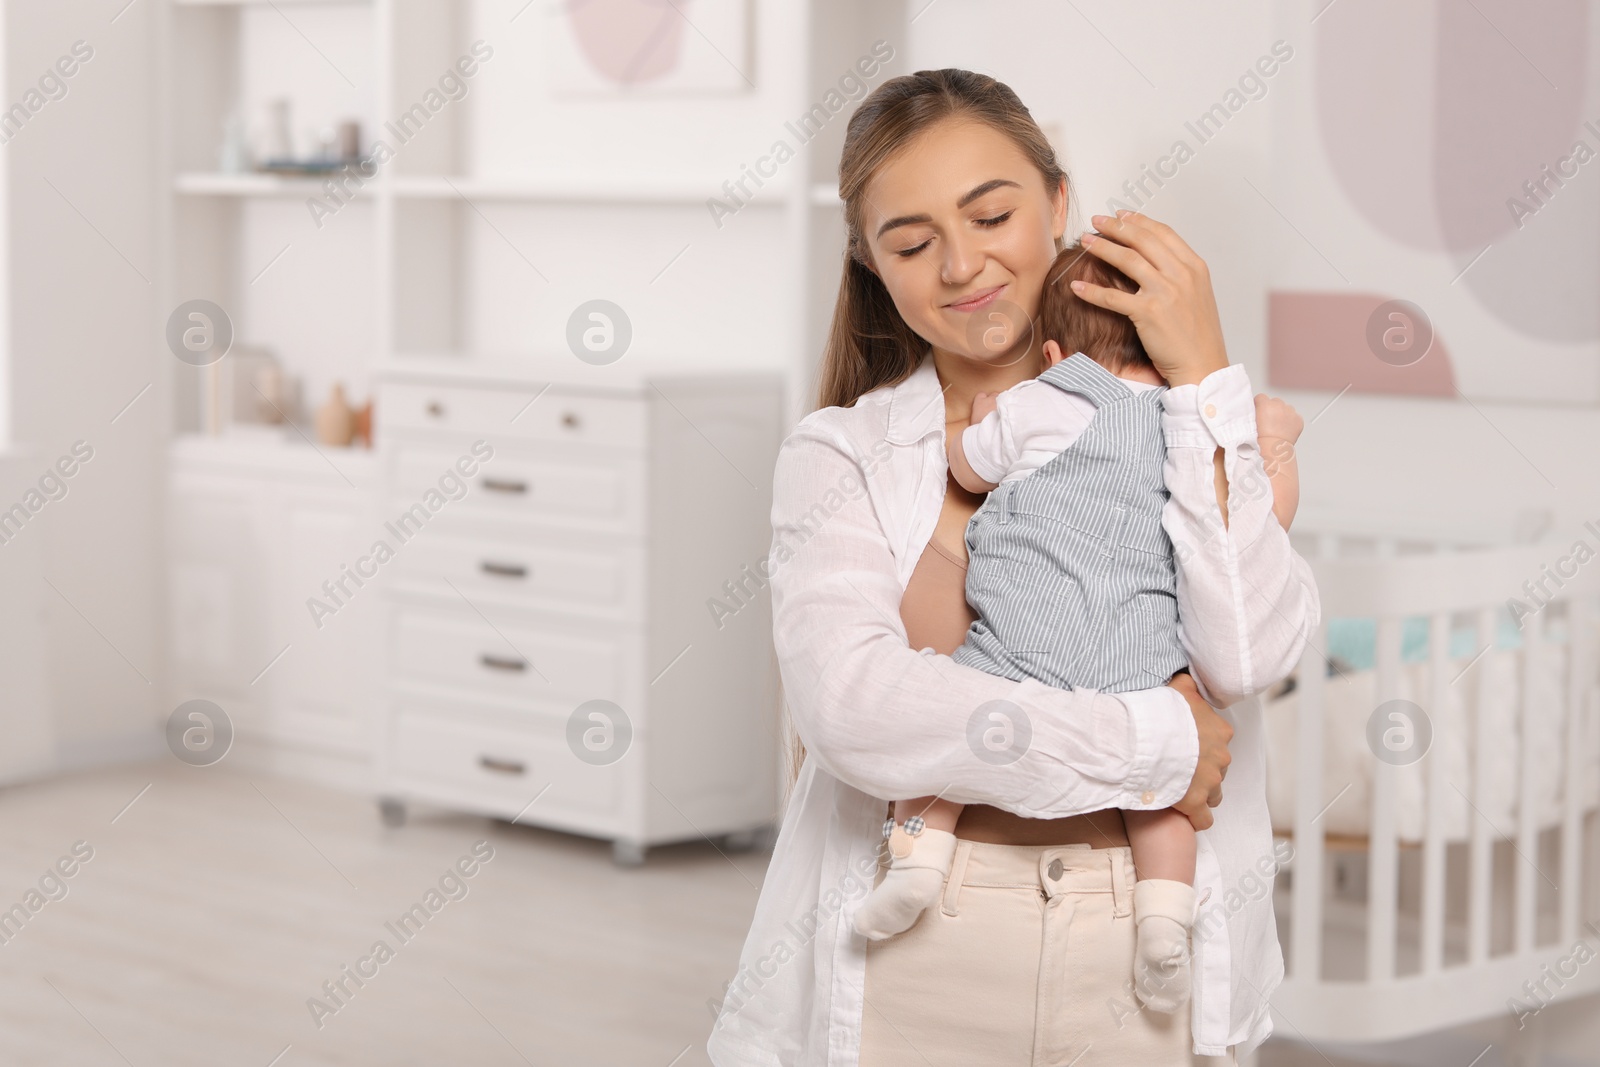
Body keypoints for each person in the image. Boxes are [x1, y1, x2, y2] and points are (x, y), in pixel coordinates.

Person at [707, 68, 1319, 1066]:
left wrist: (1204, 382)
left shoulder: (1187, 427)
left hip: (1149, 944)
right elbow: (853, 705)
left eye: (990, 214)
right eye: (910, 242)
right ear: (869, 264)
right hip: (913, 944)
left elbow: (1248, 654)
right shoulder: (841, 453)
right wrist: (1156, 742)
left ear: (1059, 204)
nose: (959, 264)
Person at [851, 244, 1306, 1022]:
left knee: (948, 743)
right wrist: (1261, 452)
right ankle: (1165, 920)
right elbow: (1247, 528)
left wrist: (977, 427)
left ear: (1055, 353)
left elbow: (967, 467)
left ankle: (917, 864)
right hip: (1141, 652)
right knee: (1162, 792)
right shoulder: (1186, 427)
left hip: (1026, 638)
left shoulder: (1048, 398)